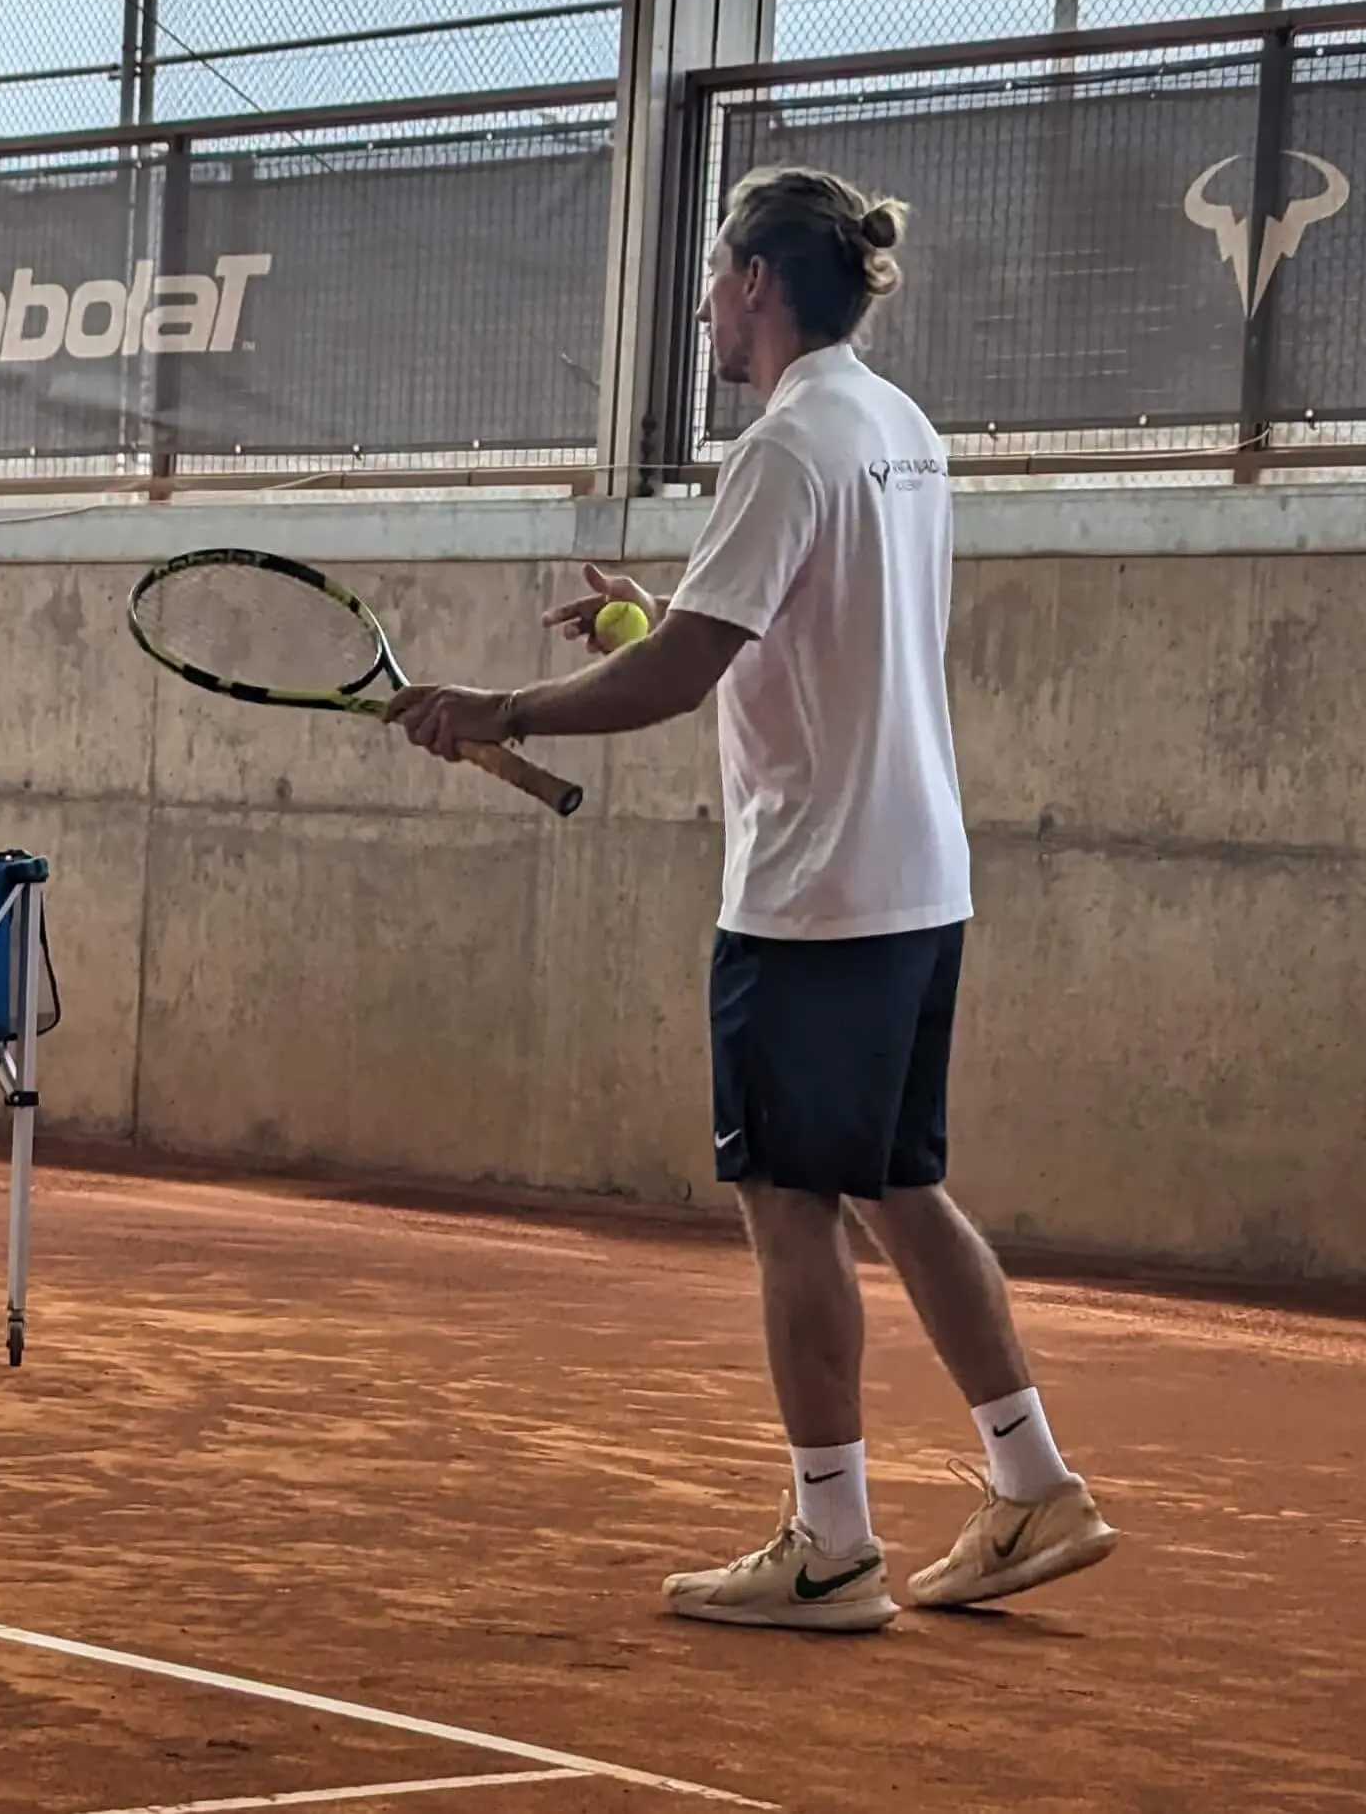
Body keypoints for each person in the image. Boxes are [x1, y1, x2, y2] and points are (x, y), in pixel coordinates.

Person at [386, 164, 1117, 1632]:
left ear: (760, 282)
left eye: (717, 277)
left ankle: (831, 1541)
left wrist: (501, 707)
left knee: (791, 1202)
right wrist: (638, 621)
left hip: (816, 894)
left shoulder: (784, 448)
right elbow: (790, 633)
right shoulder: (893, 430)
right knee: (899, 1188)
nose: (708, 307)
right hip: (915, 881)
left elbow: (681, 674)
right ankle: (1032, 1478)